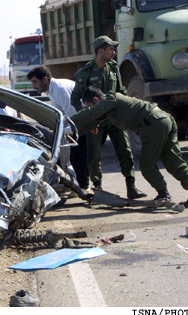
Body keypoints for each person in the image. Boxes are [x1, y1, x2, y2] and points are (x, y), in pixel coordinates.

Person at [71, 86, 188, 208]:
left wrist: (66, 120)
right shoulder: (110, 108)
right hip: (163, 119)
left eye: (90, 105)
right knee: (173, 161)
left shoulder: (111, 98)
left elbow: (90, 114)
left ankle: (164, 194)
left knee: (147, 166)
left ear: (96, 99)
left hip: (153, 123)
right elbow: (92, 121)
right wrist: (71, 131)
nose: (91, 109)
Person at [70, 35, 146, 200]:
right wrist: (87, 118)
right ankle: (98, 189)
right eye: (111, 49)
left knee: (125, 150)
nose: (113, 52)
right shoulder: (86, 72)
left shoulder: (113, 68)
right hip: (96, 121)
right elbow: (75, 98)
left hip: (115, 118)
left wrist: (130, 113)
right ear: (101, 51)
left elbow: (121, 91)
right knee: (93, 155)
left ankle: (131, 187)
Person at [27, 66, 89, 191]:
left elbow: (72, 116)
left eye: (35, 82)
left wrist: (65, 133)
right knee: (70, 155)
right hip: (74, 123)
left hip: (83, 122)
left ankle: (84, 187)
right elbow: (59, 115)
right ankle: (76, 185)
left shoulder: (60, 89)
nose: (33, 86)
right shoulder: (52, 90)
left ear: (45, 79)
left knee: (79, 155)